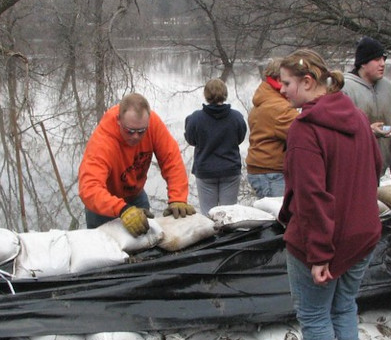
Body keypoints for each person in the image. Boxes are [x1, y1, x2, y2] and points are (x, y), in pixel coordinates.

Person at [277, 49, 382, 340]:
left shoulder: (305, 130)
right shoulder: (359, 120)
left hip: (323, 241)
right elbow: (376, 170)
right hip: (362, 235)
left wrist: (320, 254)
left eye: (287, 83)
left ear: (308, 82)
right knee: (344, 307)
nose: (281, 89)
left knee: (315, 314)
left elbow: (310, 197)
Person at [78, 93, 195, 237]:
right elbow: (89, 189)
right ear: (119, 120)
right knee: (104, 252)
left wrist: (178, 198)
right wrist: (122, 209)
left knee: (147, 245)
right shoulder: (103, 142)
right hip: (104, 205)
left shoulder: (153, 125)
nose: (136, 137)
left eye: (141, 132)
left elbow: (172, 160)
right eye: (130, 131)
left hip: (135, 196)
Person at [342, 36, 391, 176]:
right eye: (377, 59)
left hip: (379, 166)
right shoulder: (345, 88)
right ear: (363, 63)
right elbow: (340, 128)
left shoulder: (387, 86)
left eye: (384, 59)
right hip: (353, 169)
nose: (383, 64)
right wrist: (368, 131)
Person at [184, 79, 247, 214]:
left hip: (205, 171)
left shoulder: (195, 118)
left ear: (206, 95)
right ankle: (229, 235)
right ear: (225, 94)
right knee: (229, 215)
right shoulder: (236, 117)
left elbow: (191, 140)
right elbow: (240, 138)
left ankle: (212, 235)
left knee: (208, 215)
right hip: (230, 169)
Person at [246, 58, 299, 198]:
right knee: (277, 216)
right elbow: (304, 134)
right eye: (289, 80)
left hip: (262, 169)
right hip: (271, 172)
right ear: (279, 79)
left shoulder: (265, 98)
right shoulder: (279, 107)